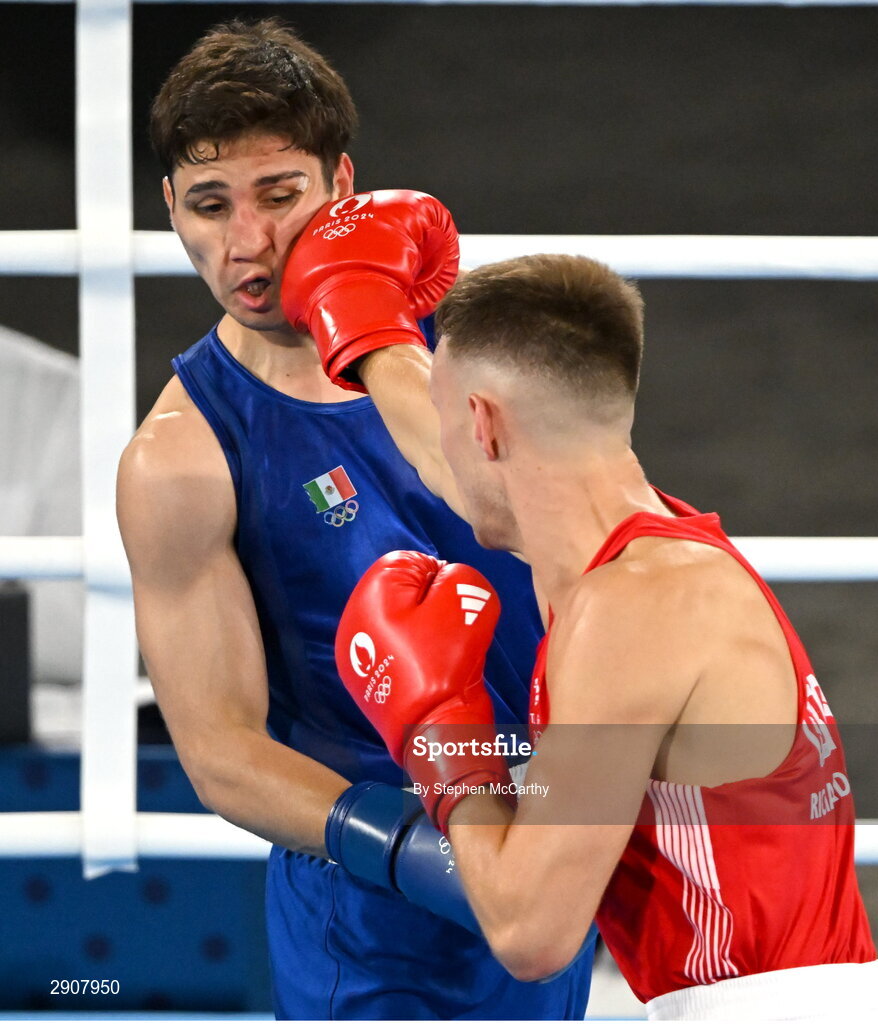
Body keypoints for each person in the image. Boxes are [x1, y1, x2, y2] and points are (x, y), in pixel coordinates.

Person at [116, 18, 593, 1021]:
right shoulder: (181, 458)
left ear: (341, 186)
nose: (246, 243)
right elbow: (220, 751)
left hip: (555, 861)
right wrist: (423, 855)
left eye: (278, 196)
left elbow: (588, 550)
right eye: (208, 205)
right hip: (369, 918)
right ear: (169, 208)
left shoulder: (480, 349)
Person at [320, 251, 878, 1021]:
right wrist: (359, 323)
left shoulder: (635, 610)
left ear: (484, 424)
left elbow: (532, 933)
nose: (443, 451)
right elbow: (446, 453)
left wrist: (440, 733)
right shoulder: (628, 546)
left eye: (451, 417)